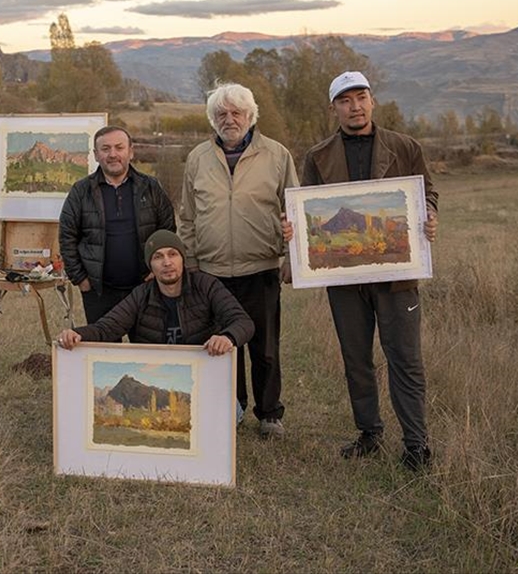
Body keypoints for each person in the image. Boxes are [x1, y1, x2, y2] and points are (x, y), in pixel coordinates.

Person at [296, 70, 439, 470]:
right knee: (356, 358)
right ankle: (370, 432)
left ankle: (416, 444)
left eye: (360, 97)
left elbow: (427, 192)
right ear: (334, 108)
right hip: (343, 279)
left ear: (372, 100)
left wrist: (429, 212)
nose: (354, 106)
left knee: (405, 359)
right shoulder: (317, 156)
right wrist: (295, 228)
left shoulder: (405, 147)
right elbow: (307, 209)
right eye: (345, 100)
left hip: (397, 276)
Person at [179, 83, 299, 438]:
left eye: (237, 113)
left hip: (260, 267)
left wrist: (292, 257)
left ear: (251, 116)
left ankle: (269, 414)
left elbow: (294, 210)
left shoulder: (277, 155)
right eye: (221, 114)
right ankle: (231, 409)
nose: (229, 119)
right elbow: (187, 216)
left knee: (264, 347)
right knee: (221, 345)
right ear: (212, 119)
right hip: (211, 271)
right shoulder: (198, 158)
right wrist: (191, 261)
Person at [56, 230, 253, 362]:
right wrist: (78, 334)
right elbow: (107, 328)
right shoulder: (141, 295)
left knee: (231, 416)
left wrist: (227, 337)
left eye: (173, 254)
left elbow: (243, 322)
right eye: (158, 257)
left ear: (182, 259)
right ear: (150, 266)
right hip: (156, 374)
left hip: (202, 371)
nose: (167, 262)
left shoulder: (206, 285)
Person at [58, 126, 176, 323]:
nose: (113, 154)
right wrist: (80, 279)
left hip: (145, 288)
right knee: (104, 351)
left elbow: (167, 230)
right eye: (105, 149)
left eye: (119, 148)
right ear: (96, 155)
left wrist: (156, 271)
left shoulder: (151, 187)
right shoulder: (81, 191)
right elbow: (67, 237)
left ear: (131, 151)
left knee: (144, 350)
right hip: (99, 292)